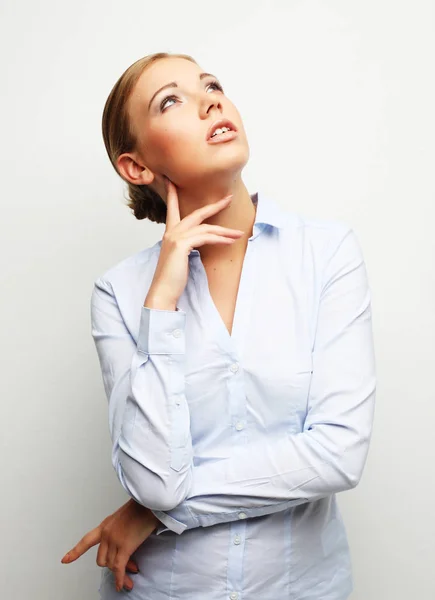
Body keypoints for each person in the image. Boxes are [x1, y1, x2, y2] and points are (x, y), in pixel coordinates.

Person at [60, 52, 377, 599]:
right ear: (136, 167)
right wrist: (162, 301)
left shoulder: (326, 254)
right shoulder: (120, 293)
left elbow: (337, 454)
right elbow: (153, 480)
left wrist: (155, 516)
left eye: (211, 84)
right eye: (172, 100)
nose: (209, 99)